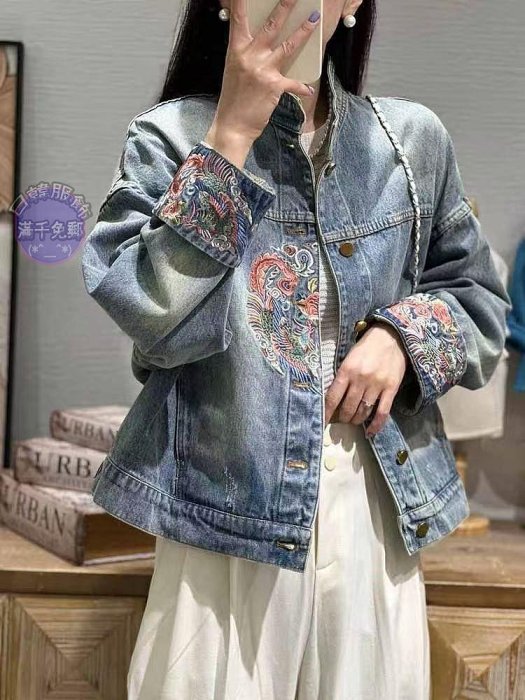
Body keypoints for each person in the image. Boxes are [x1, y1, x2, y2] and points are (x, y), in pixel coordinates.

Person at [80, 0, 512, 698]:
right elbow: (151, 315)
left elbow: (480, 299)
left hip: (371, 515)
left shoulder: (411, 142)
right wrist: (231, 135)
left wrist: (402, 338)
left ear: (351, 5)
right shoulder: (169, 138)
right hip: (219, 522)